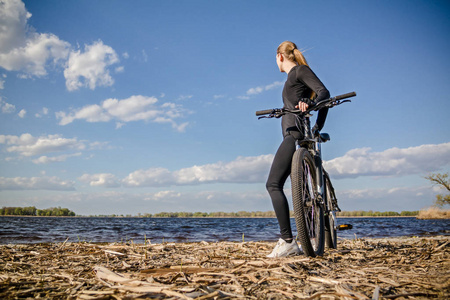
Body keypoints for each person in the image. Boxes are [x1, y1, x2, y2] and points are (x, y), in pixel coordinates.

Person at [266, 41, 330, 258]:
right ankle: (302, 239)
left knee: (273, 184)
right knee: (298, 192)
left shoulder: (299, 71)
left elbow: (324, 93)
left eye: (274, 58)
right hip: (294, 135)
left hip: (294, 135)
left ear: (279, 56)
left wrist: (307, 103)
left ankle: (287, 241)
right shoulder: (292, 78)